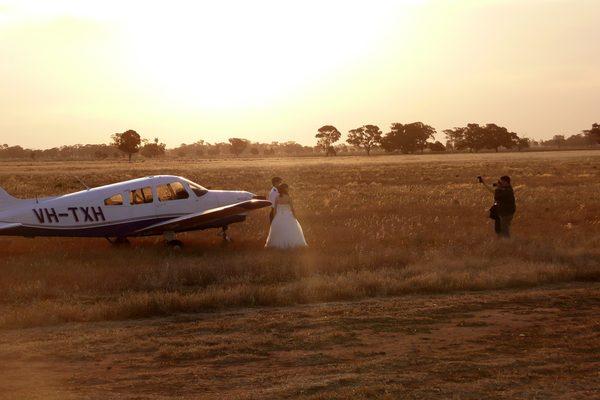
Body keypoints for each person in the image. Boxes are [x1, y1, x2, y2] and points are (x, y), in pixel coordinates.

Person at [265, 183, 308, 249]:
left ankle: (278, 244)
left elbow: (275, 210)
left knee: (279, 230)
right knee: (290, 230)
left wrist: (274, 218)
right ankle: (291, 243)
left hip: (279, 216)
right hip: (288, 216)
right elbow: (292, 209)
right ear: (285, 189)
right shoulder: (288, 198)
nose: (288, 189)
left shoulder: (277, 198)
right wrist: (295, 216)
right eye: (287, 188)